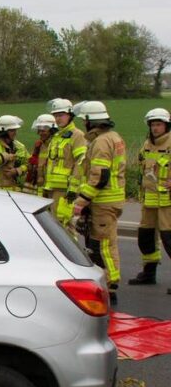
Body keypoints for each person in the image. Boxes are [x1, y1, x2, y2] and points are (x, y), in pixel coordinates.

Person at [71, 101, 126, 303]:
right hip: (111, 200)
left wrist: (82, 200)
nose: (84, 123)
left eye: (85, 120)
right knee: (106, 242)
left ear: (91, 121)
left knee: (103, 245)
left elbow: (99, 176)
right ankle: (109, 283)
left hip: (103, 201)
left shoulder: (102, 142)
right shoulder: (114, 138)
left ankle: (110, 286)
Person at [128, 108, 171, 287]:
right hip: (150, 198)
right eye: (153, 124)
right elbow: (142, 166)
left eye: (159, 124)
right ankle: (149, 273)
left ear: (166, 125)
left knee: (169, 239)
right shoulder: (147, 144)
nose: (155, 128)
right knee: (145, 237)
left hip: (168, 200)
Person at [44, 98, 87, 226]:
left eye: (61, 115)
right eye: (56, 115)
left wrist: (73, 188)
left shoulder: (77, 135)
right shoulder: (57, 136)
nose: (58, 119)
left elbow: (81, 162)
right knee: (54, 226)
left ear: (70, 115)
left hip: (66, 191)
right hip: (52, 188)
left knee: (65, 226)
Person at [24, 114, 57, 197]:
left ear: (52, 130)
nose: (40, 133)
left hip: (53, 186)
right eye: (39, 130)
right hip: (39, 184)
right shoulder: (39, 145)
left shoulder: (57, 144)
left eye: (43, 131)